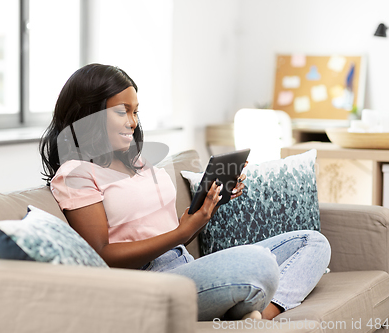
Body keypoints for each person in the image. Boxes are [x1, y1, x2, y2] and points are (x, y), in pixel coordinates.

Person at [39, 63, 331, 321]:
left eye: (135, 111)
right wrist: (180, 233)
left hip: (187, 266)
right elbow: (102, 255)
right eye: (121, 112)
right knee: (260, 263)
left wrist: (207, 209)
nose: (133, 122)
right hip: (150, 285)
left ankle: (262, 314)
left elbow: (172, 232)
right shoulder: (75, 174)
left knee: (313, 242)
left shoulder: (135, 161)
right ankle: (243, 303)